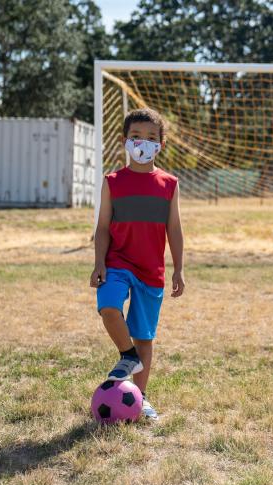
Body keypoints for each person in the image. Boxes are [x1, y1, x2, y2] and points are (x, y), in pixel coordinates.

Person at [90, 108, 186, 420]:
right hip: (117, 263)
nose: (142, 143)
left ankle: (140, 399)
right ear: (124, 141)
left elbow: (175, 229)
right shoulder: (113, 181)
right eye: (136, 137)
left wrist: (179, 268)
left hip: (151, 271)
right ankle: (127, 355)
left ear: (161, 144)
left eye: (150, 138)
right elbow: (103, 228)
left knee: (144, 335)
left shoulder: (169, 184)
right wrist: (99, 262)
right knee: (108, 307)